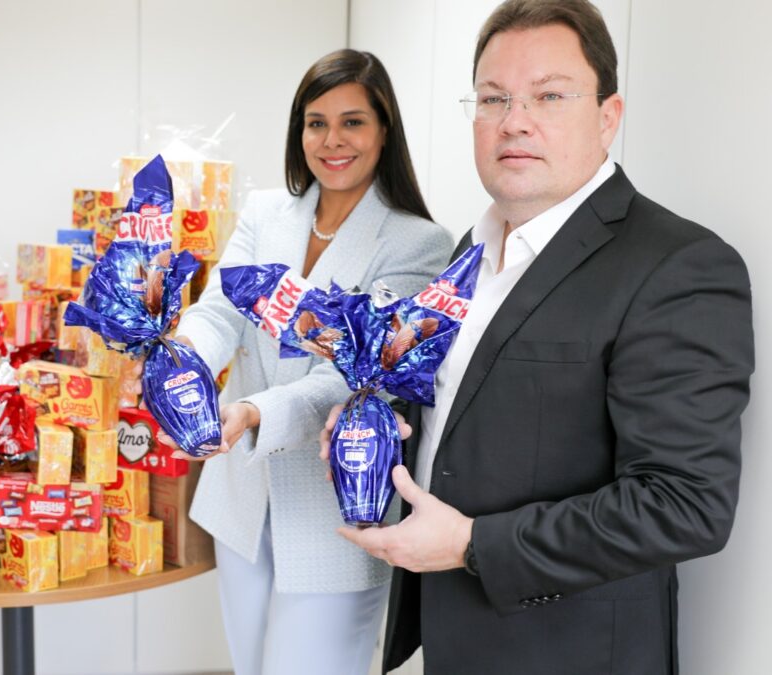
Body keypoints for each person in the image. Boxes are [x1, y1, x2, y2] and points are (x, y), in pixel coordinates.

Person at [322, 2, 755, 673]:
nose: (515, 120)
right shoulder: (468, 251)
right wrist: (375, 427)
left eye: (549, 95)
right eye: (494, 98)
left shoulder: (678, 266)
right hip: (453, 636)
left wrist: (471, 544)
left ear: (608, 117)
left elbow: (684, 504)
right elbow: (459, 412)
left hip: (570, 651)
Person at [169, 49, 453, 675]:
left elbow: (350, 376)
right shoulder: (266, 212)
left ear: (384, 131)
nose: (332, 141)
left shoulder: (417, 243)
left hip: (333, 507)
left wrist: (250, 411)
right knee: (248, 664)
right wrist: (182, 361)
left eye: (353, 121)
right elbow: (220, 311)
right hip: (241, 497)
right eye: (315, 122)